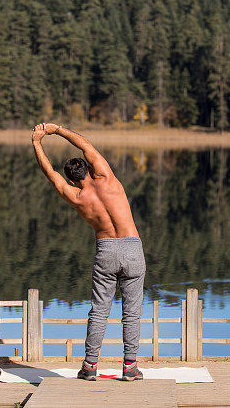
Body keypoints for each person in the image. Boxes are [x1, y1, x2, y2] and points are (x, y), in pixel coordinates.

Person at [31, 122, 145, 381]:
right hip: (132, 247)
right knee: (132, 311)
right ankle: (130, 367)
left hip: (106, 250)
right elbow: (84, 144)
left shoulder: (77, 197)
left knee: (99, 311)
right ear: (88, 168)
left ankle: (90, 366)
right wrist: (56, 129)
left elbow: (50, 174)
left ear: (73, 179)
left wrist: (37, 142)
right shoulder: (107, 177)